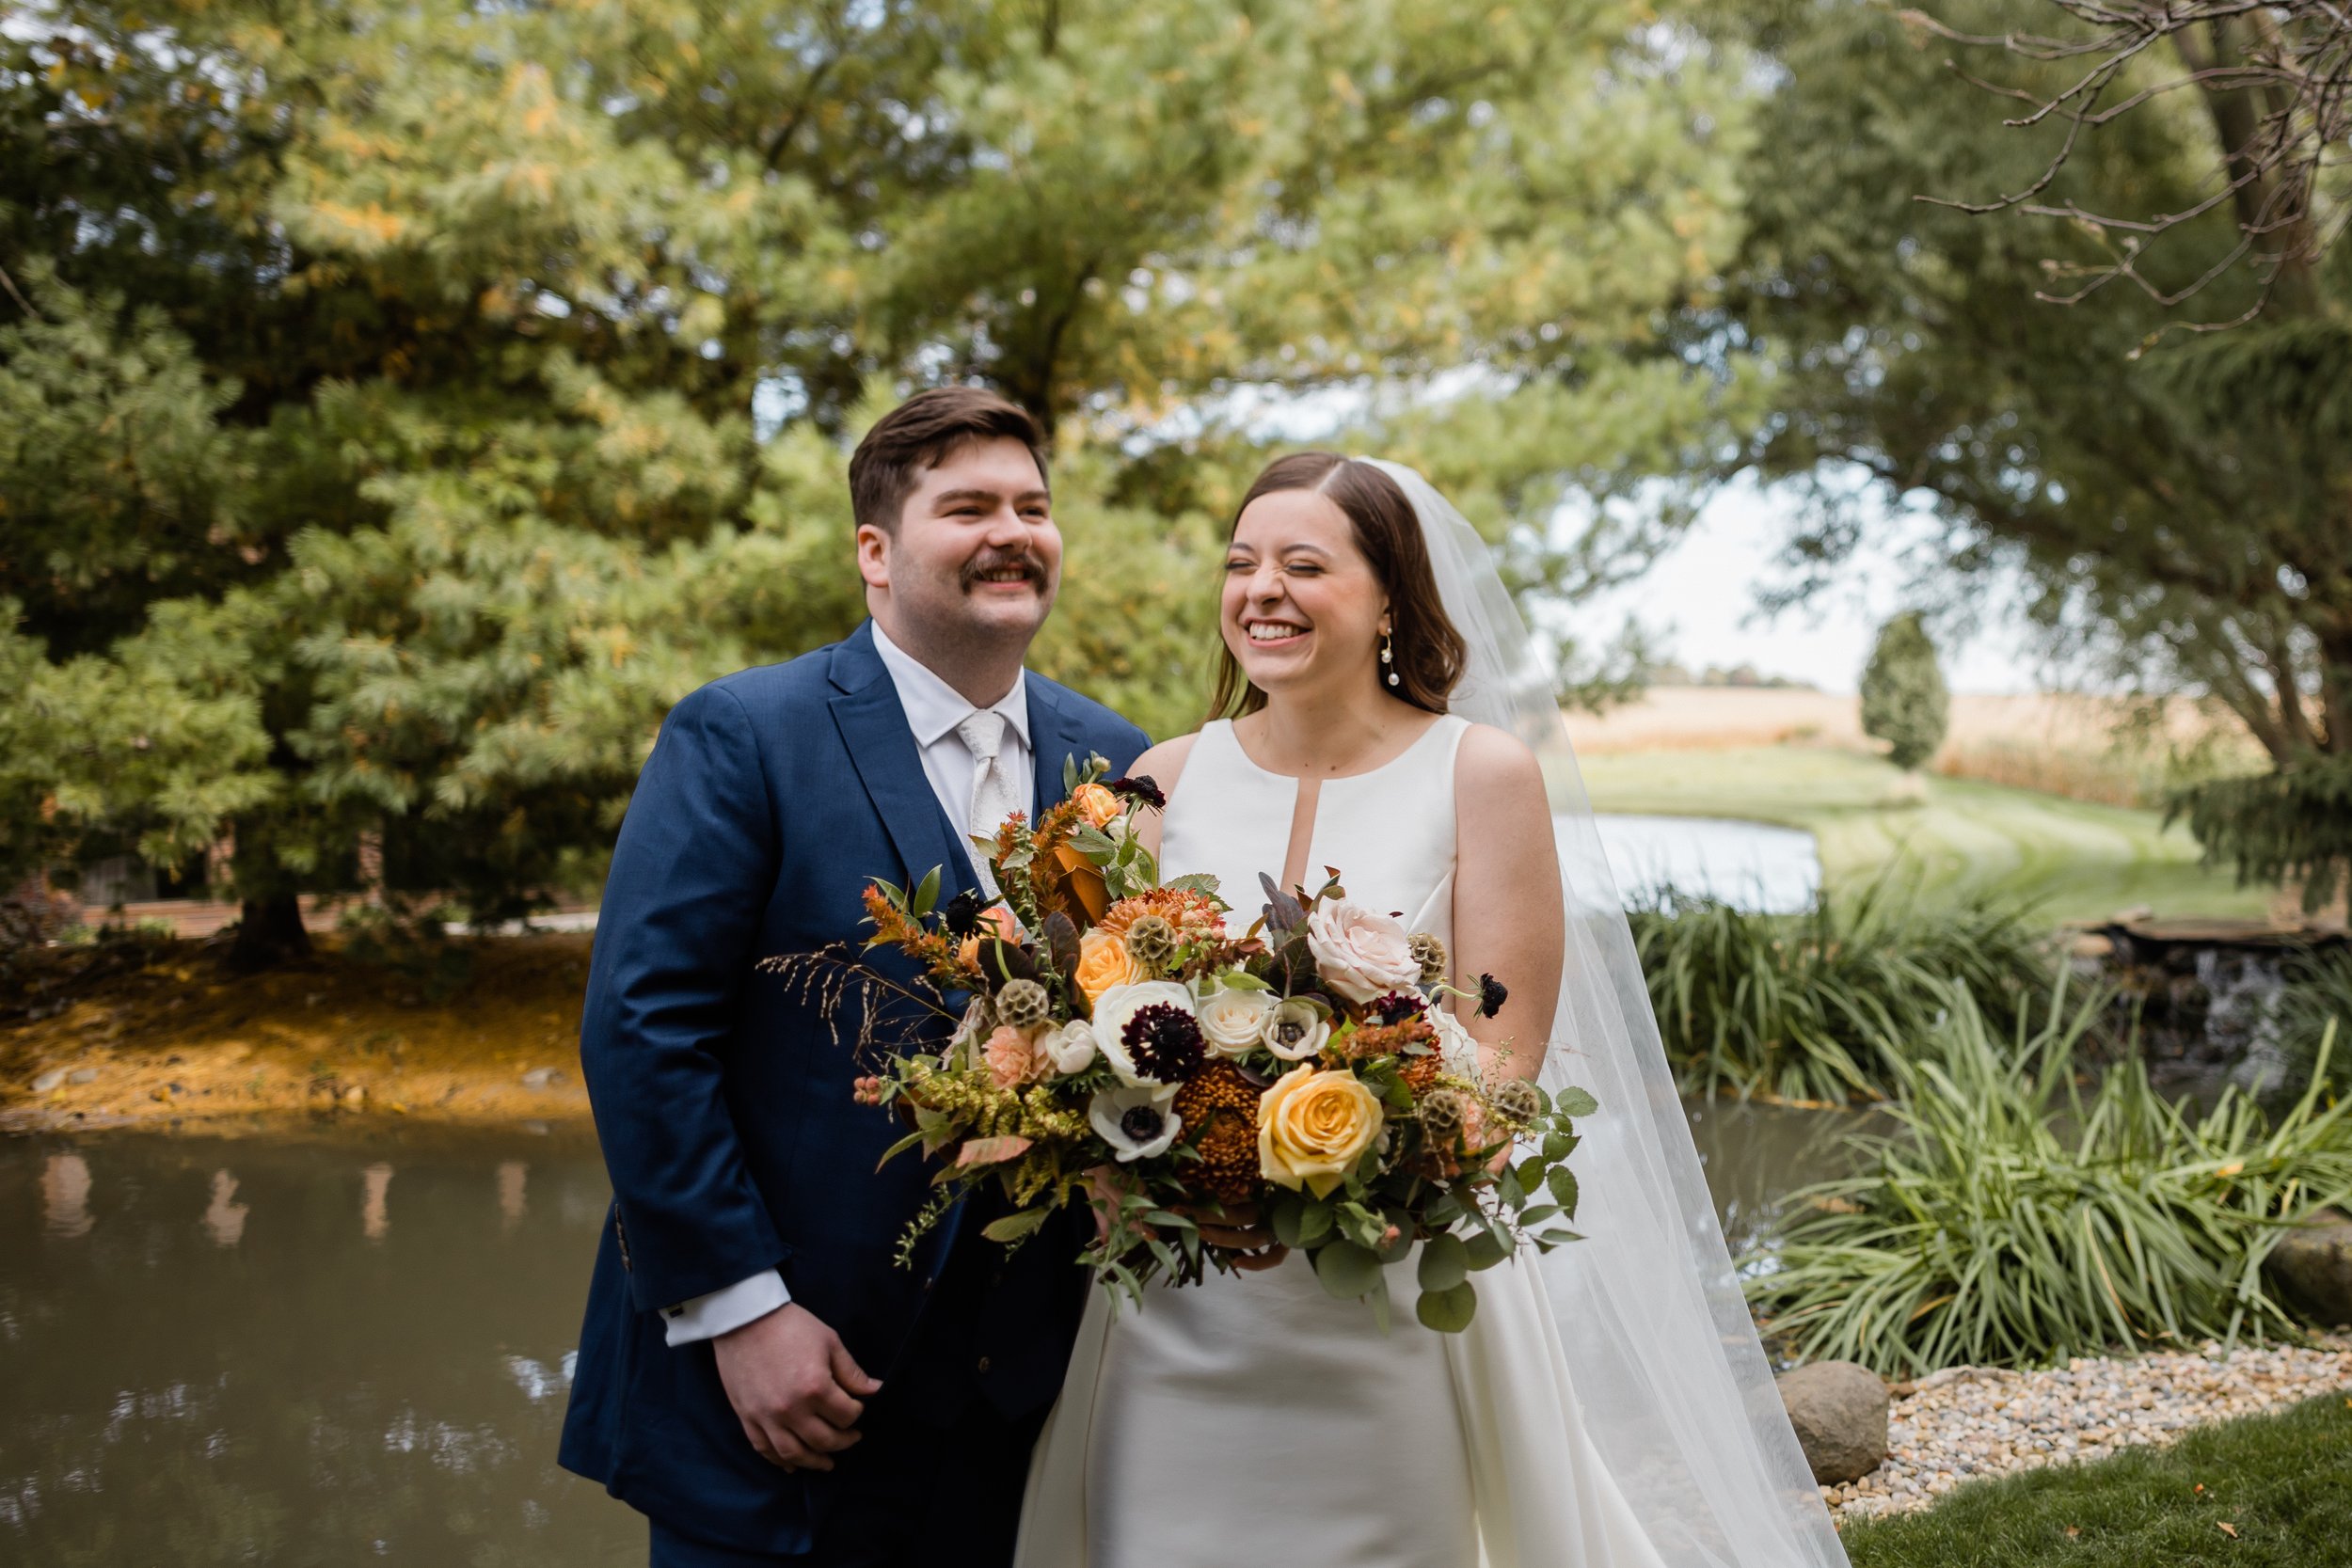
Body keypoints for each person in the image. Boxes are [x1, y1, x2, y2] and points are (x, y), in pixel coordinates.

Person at [1013, 454, 1850, 1568]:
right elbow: (1106, 1023)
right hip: (1181, 1303)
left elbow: (1504, 1066)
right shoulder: (1162, 777)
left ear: (1392, 599)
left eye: (1303, 564)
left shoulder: (1481, 770)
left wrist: (1377, 1175)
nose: (1261, 589)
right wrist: (1145, 1172)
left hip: (1392, 1295)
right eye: (1241, 562)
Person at [558, 388, 1150, 1567]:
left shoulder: (1119, 759)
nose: (1012, 530)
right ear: (875, 551)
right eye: (967, 506)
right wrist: (741, 1310)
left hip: (1022, 1416)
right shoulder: (744, 732)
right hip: (785, 1400)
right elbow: (641, 1033)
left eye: (1032, 506)